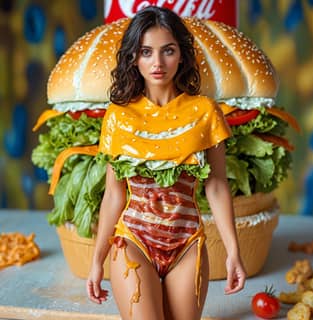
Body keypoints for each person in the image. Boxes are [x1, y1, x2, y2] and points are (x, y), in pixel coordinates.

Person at [86, 6, 246, 320]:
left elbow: (216, 186)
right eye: (146, 52)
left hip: (187, 243)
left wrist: (233, 253)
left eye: (168, 51)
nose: (157, 63)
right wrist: (97, 260)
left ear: (182, 56)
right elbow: (114, 195)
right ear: (133, 57)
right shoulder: (118, 117)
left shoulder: (205, 111)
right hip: (133, 240)